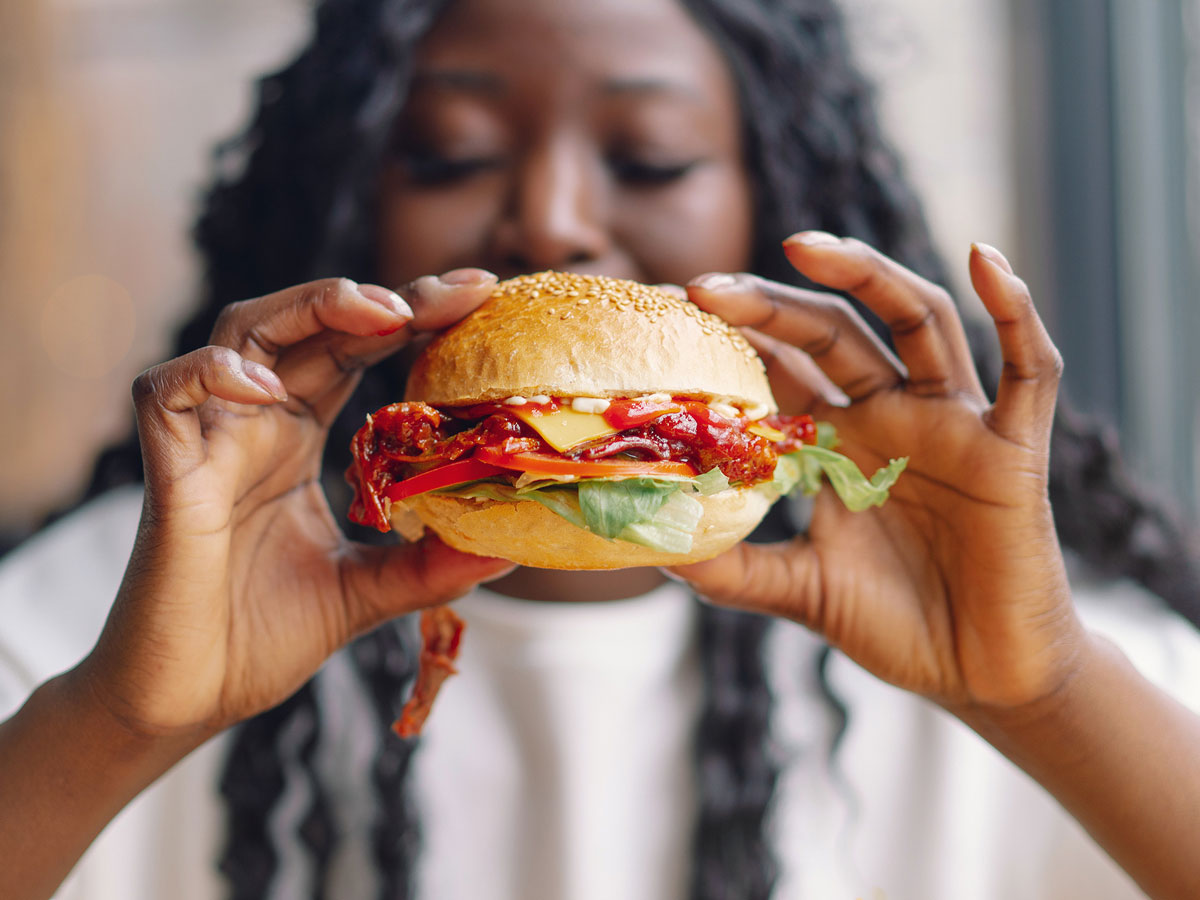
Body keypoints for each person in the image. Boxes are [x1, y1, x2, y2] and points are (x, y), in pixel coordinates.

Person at [3, 0, 1200, 898]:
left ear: (767, 200)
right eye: (452, 153)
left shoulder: (1031, 626)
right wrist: (121, 721)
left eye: (651, 160)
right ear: (348, 196)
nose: (554, 221)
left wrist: (1046, 697)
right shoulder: (101, 616)